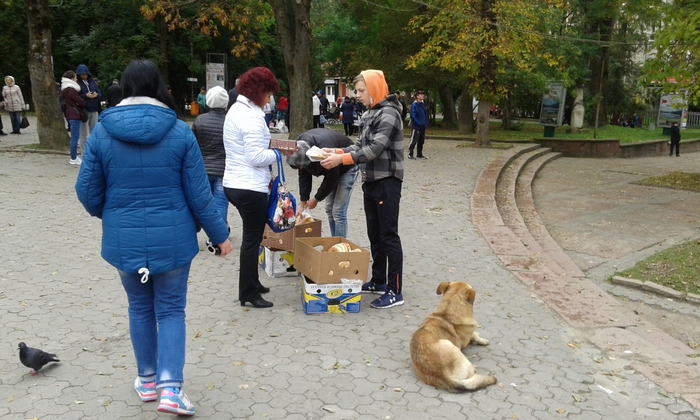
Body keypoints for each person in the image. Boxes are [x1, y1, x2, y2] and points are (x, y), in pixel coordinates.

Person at [75, 59, 232, 416]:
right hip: (174, 242)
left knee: (139, 308)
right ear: (158, 87)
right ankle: (170, 390)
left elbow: (85, 191)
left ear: (125, 88)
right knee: (172, 310)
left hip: (124, 240)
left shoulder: (102, 132)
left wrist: (111, 215)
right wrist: (220, 235)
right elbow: (199, 195)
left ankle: (147, 381)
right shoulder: (179, 132)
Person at [320, 70, 405, 309]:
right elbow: (359, 145)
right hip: (370, 181)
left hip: (387, 182)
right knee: (374, 235)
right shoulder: (370, 113)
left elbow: (375, 149)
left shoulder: (389, 113)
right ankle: (378, 280)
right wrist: (334, 152)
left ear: (375, 88)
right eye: (356, 91)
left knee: (389, 236)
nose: (357, 95)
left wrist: (342, 161)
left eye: (360, 91)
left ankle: (395, 290)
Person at [222, 66, 294, 309]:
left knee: (253, 237)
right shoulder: (251, 117)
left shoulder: (237, 109)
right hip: (249, 186)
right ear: (259, 91)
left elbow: (249, 147)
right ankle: (249, 292)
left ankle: (253, 283)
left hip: (234, 183)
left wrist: (273, 146)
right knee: (252, 240)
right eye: (269, 93)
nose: (270, 99)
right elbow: (255, 156)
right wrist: (279, 153)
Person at [286, 128, 359, 238]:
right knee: (329, 209)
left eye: (302, 166)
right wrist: (303, 201)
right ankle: (333, 241)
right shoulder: (299, 148)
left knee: (338, 211)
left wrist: (316, 198)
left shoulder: (323, 151)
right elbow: (304, 176)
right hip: (332, 169)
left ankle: (340, 246)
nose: (301, 168)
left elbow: (331, 179)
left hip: (348, 165)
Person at [191, 85, 230, 247]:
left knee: (204, 202)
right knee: (221, 202)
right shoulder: (230, 121)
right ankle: (217, 236)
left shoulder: (200, 120)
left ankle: (205, 230)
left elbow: (193, 145)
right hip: (224, 168)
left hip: (204, 169)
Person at [60, 70, 86, 165]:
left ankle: (74, 157)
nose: (76, 80)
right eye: (75, 78)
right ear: (71, 79)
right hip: (74, 114)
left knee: (74, 137)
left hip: (70, 114)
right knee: (75, 137)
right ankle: (73, 157)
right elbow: (80, 101)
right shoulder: (71, 90)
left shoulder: (65, 90)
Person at [75, 65, 103, 154]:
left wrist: (96, 95)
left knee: (94, 131)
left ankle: (94, 150)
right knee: (83, 132)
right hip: (84, 110)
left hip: (94, 109)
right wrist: (85, 96)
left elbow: (100, 94)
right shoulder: (77, 84)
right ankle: (83, 151)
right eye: (82, 75)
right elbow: (76, 97)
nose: (84, 76)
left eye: (85, 74)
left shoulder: (93, 83)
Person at [408, 90, 429, 159]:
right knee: (413, 140)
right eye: (421, 94)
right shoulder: (414, 105)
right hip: (416, 126)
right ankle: (410, 154)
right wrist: (419, 123)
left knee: (421, 141)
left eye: (423, 94)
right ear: (417, 96)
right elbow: (413, 116)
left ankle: (419, 153)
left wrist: (425, 123)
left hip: (422, 126)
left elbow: (425, 114)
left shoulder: (422, 104)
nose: (422, 95)